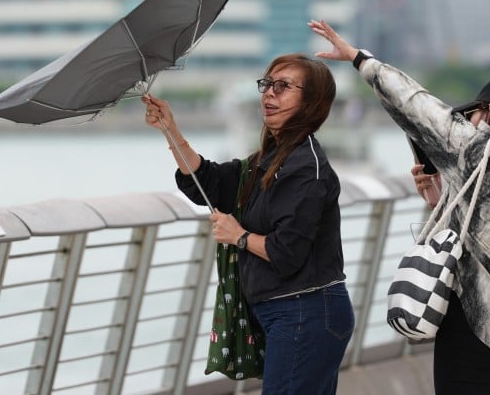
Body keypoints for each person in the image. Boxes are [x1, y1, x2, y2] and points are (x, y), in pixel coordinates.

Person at [308, 19, 490, 395]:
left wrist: (360, 59)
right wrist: (442, 202)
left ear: (486, 111)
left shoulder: (477, 147)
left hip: (476, 319)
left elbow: (415, 104)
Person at [142, 53, 354, 394]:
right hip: (291, 313)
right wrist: (170, 129)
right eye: (267, 84)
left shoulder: (304, 166)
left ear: (311, 102)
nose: (269, 93)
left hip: (305, 312)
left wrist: (238, 236)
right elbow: (210, 183)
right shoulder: (272, 157)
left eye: (283, 87)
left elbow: (287, 252)